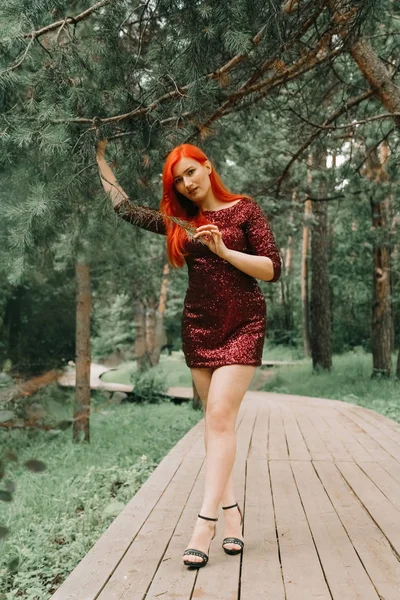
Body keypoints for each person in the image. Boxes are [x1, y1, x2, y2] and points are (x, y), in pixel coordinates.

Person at [96, 140, 281, 569]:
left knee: (218, 416)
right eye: (178, 180)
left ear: (207, 166)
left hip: (243, 324)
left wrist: (223, 250)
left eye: (190, 173)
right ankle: (233, 515)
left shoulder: (245, 210)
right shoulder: (181, 221)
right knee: (217, 425)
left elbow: (271, 268)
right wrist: (100, 156)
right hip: (199, 327)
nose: (186, 183)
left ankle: (206, 523)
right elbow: (124, 208)